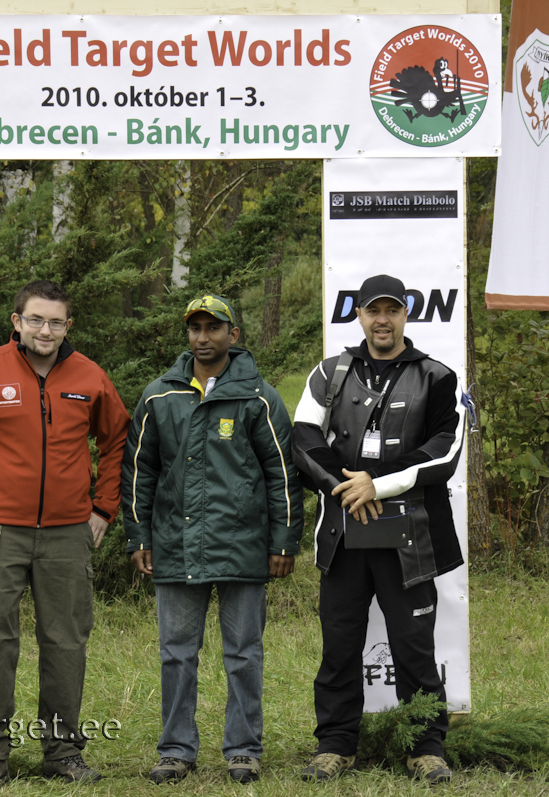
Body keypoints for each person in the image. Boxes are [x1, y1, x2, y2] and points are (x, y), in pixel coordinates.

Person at [0, 280, 130, 794]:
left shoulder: (89, 377)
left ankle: (62, 753)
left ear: (68, 327)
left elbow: (117, 437)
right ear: (17, 321)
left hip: (66, 535)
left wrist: (104, 507)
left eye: (56, 322)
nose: (45, 330)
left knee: (65, 644)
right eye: (36, 320)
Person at [291, 274, 467, 785]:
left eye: (392, 310)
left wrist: (379, 485)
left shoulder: (437, 376)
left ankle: (425, 746)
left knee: (414, 645)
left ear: (406, 315)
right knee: (339, 643)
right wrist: (347, 489)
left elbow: (444, 452)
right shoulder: (329, 372)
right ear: (360, 316)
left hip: (410, 535)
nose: (382, 319)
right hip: (344, 533)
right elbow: (303, 438)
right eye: (373, 311)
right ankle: (336, 745)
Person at [121, 294, 303, 784]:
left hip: (243, 547)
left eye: (213, 328)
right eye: (195, 329)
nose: (203, 337)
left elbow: (282, 473)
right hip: (175, 547)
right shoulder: (160, 395)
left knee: (244, 652)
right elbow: (140, 471)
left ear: (233, 335)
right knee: (176, 651)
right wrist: (139, 535)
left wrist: (284, 543)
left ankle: (243, 749)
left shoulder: (259, 397)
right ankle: (176, 749)